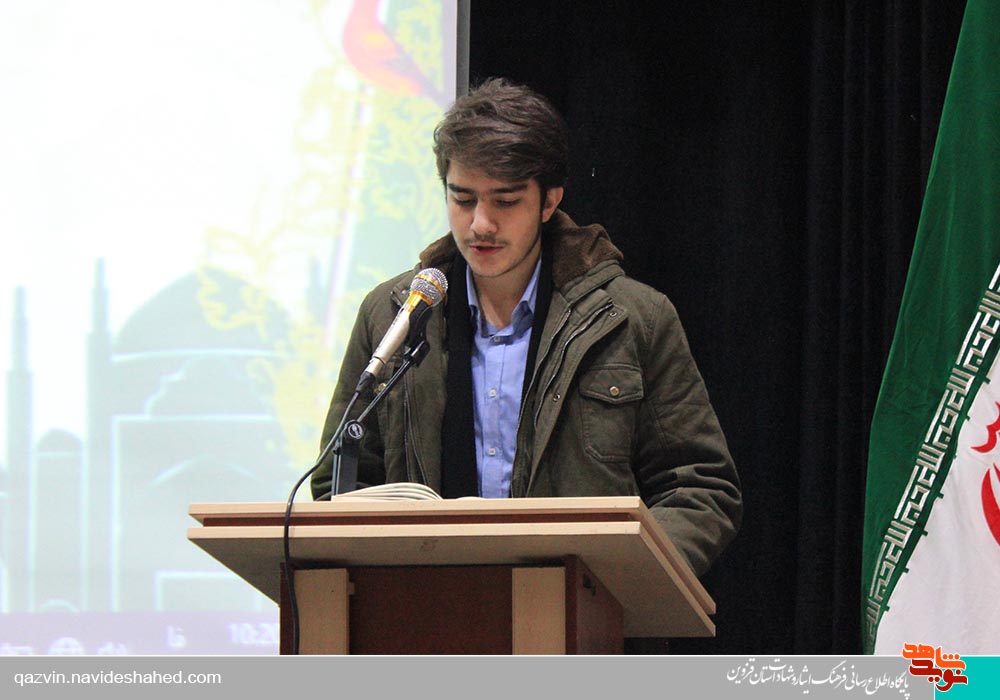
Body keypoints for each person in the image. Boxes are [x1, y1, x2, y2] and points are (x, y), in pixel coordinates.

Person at [312, 78, 741, 580]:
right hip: (425, 608)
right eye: (463, 199)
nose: (481, 224)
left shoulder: (632, 318)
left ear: (549, 201)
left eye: (505, 201)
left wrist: (620, 581)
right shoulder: (395, 317)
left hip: (583, 612)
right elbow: (338, 487)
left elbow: (700, 488)